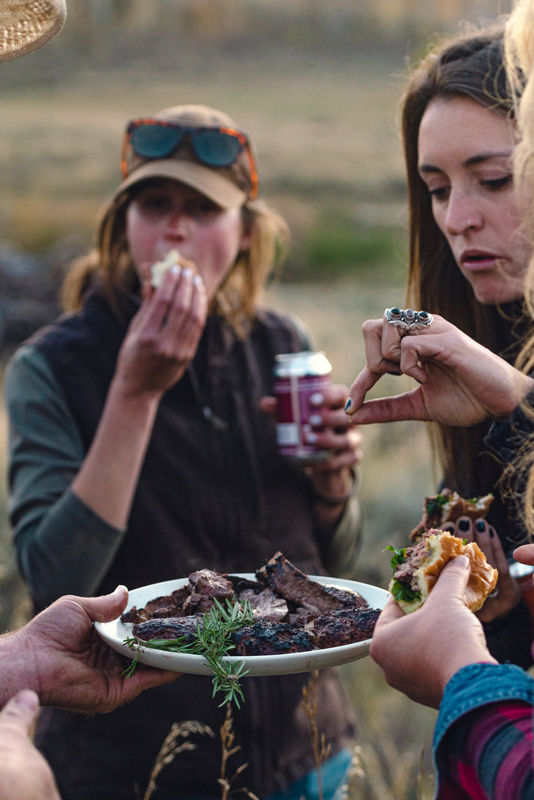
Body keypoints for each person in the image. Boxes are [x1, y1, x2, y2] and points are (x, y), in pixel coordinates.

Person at [5, 102, 363, 800]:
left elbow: (331, 564)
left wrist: (332, 484)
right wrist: (134, 394)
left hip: (303, 752)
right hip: (131, 765)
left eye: (201, 207)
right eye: (153, 202)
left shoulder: (281, 345)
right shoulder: (52, 368)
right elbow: (55, 577)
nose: (174, 225)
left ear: (245, 234)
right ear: (121, 224)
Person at [344, 3, 534, 794]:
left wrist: (461, 674)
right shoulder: (496, 354)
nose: (457, 219)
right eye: (434, 188)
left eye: (493, 179)